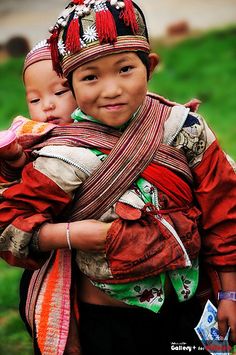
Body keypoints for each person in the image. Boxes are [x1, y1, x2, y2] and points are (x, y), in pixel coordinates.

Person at [0, 1, 235, 354]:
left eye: (125, 69)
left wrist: (230, 293)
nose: (111, 90)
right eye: (91, 77)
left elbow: (224, 211)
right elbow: (8, 227)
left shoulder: (185, 130)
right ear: (70, 84)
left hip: (187, 311)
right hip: (106, 326)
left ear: (150, 66)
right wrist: (68, 234)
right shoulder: (60, 157)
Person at [0, 39, 77, 182]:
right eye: (35, 100)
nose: (47, 105)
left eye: (59, 92)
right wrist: (16, 157)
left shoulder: (100, 126)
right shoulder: (30, 137)